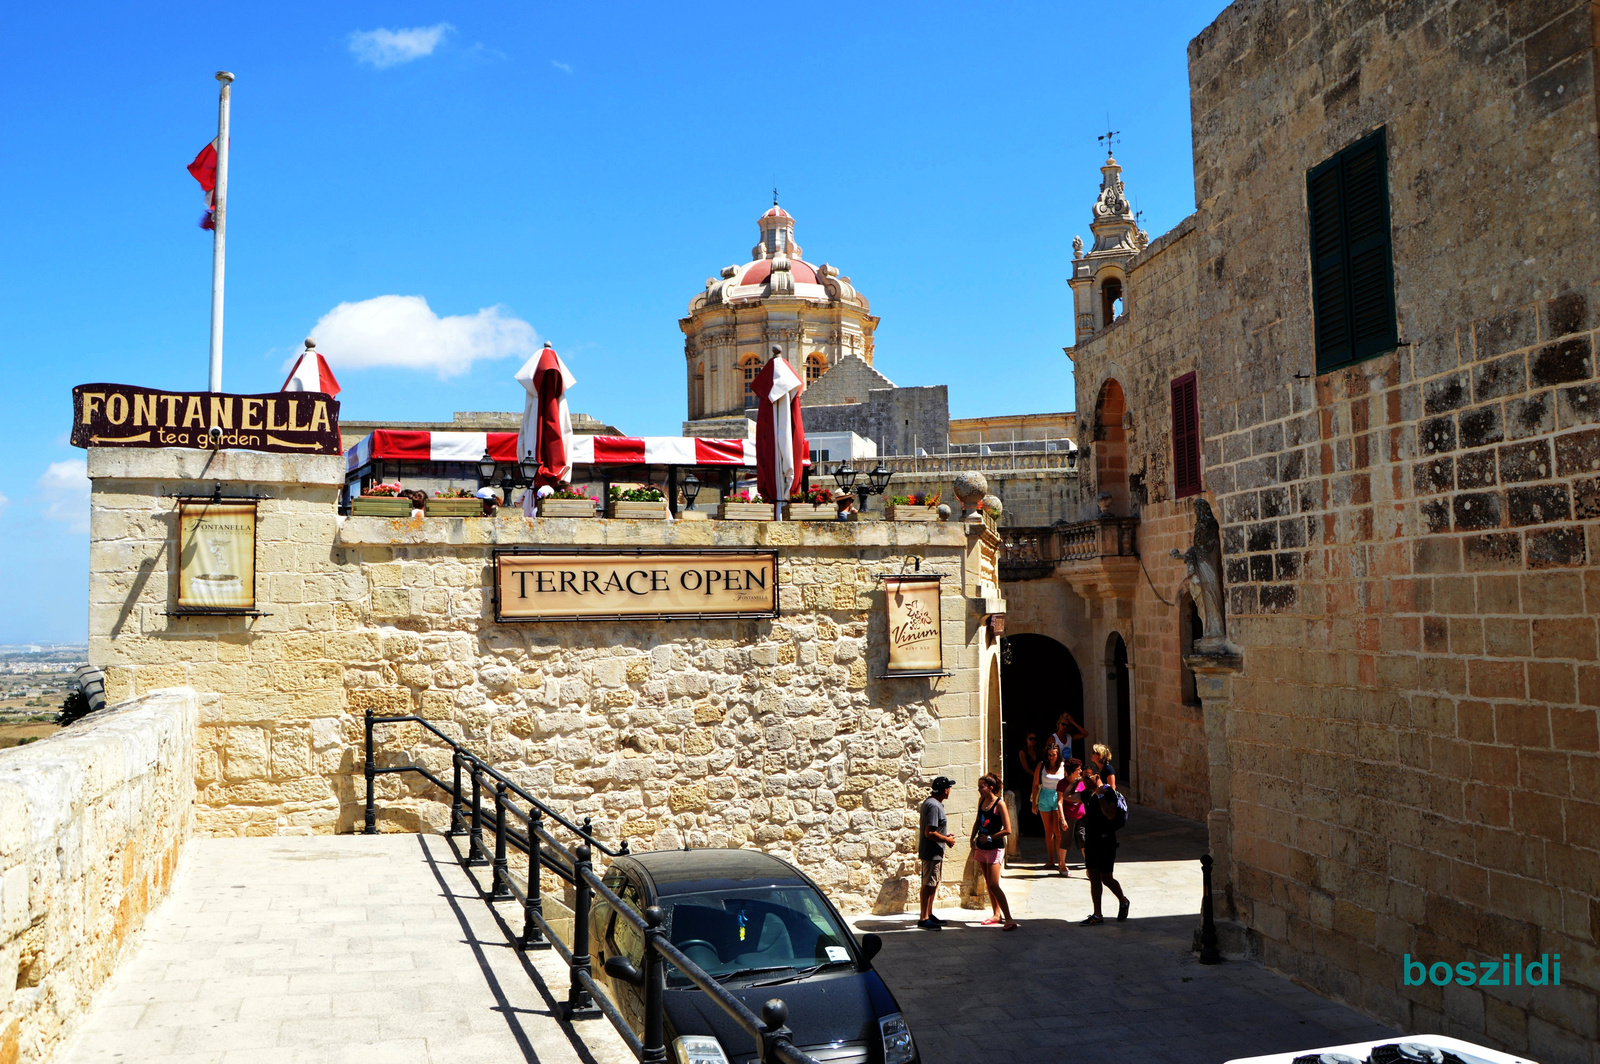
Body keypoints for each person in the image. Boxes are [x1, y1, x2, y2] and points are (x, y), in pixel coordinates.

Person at [970, 774, 1018, 930]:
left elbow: (1008, 830)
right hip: (981, 847)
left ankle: (1009, 918)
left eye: (981, 786)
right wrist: (972, 838)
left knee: (993, 884)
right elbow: (978, 820)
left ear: (990, 787)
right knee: (988, 883)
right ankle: (996, 914)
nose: (979, 789)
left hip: (994, 847)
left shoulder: (1000, 804)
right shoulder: (981, 801)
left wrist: (989, 837)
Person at [1078, 783, 1129, 925]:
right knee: (1093, 876)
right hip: (1091, 841)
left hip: (1106, 841)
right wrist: (1077, 781)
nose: (1086, 779)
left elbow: (1110, 814)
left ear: (1097, 777)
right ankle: (1097, 914)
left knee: (1106, 878)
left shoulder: (1107, 792)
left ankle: (1123, 900)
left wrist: (1100, 795)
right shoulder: (1087, 794)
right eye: (1084, 776)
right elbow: (1067, 796)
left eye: (1089, 776)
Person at [917, 777, 956, 930]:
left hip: (935, 851)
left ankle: (929, 913)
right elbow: (930, 832)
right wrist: (947, 839)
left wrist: (945, 836)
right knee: (928, 883)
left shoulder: (933, 803)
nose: (950, 790)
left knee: (933, 882)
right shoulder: (933, 806)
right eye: (949, 788)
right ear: (945, 790)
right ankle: (924, 918)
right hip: (931, 852)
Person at [1032, 742, 1068, 875]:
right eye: (1049, 755)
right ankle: (1051, 860)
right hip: (1045, 797)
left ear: (1058, 755)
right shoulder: (1041, 766)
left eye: (1054, 755)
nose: (1051, 757)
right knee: (1048, 831)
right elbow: (1035, 784)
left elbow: (1068, 782)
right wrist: (1034, 803)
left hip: (1059, 797)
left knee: (1058, 831)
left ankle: (1061, 861)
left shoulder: (1063, 766)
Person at [1056, 758, 1087, 873]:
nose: (1080, 771)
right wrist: (1062, 819)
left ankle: (1089, 867)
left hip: (1081, 817)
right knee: (1066, 841)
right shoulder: (1062, 783)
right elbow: (1059, 802)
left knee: (1083, 839)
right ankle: (1062, 865)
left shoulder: (1082, 782)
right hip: (1068, 816)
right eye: (1078, 769)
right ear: (1071, 771)